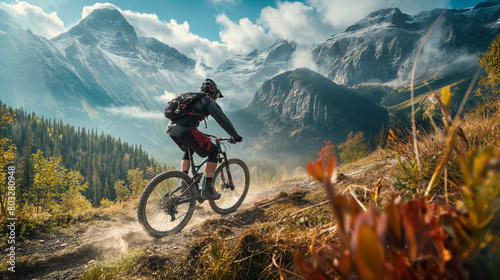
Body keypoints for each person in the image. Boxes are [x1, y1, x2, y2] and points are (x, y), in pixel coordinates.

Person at [166, 79, 243, 200]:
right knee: (213, 151)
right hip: (186, 130)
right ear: (214, 93)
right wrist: (236, 136)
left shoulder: (191, 97)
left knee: (189, 148)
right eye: (216, 96)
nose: (216, 99)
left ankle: (184, 185)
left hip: (171, 130)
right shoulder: (207, 101)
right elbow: (223, 120)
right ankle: (208, 189)